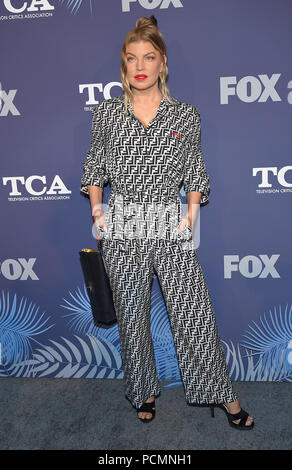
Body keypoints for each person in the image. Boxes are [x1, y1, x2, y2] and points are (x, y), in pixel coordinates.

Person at [80, 15, 254, 430]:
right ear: (124, 65)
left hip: (168, 221)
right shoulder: (106, 114)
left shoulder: (184, 116)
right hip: (121, 224)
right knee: (133, 315)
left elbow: (194, 170)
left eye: (149, 57)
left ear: (163, 64)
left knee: (194, 313)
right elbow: (94, 166)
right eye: (132, 58)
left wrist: (190, 216)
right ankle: (144, 391)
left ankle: (223, 395)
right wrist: (99, 213)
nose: (140, 66)